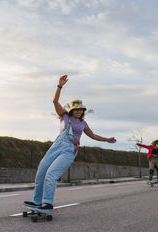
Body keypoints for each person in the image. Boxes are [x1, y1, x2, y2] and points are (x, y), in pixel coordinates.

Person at [24, 75, 116, 211]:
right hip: (56, 146)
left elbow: (93, 135)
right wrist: (59, 86)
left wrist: (107, 139)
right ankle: (37, 202)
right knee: (41, 172)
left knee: (51, 174)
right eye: (77, 109)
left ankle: (47, 203)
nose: (79, 112)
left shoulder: (83, 123)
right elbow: (55, 101)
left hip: (69, 150)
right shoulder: (64, 116)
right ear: (72, 110)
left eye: (81, 110)